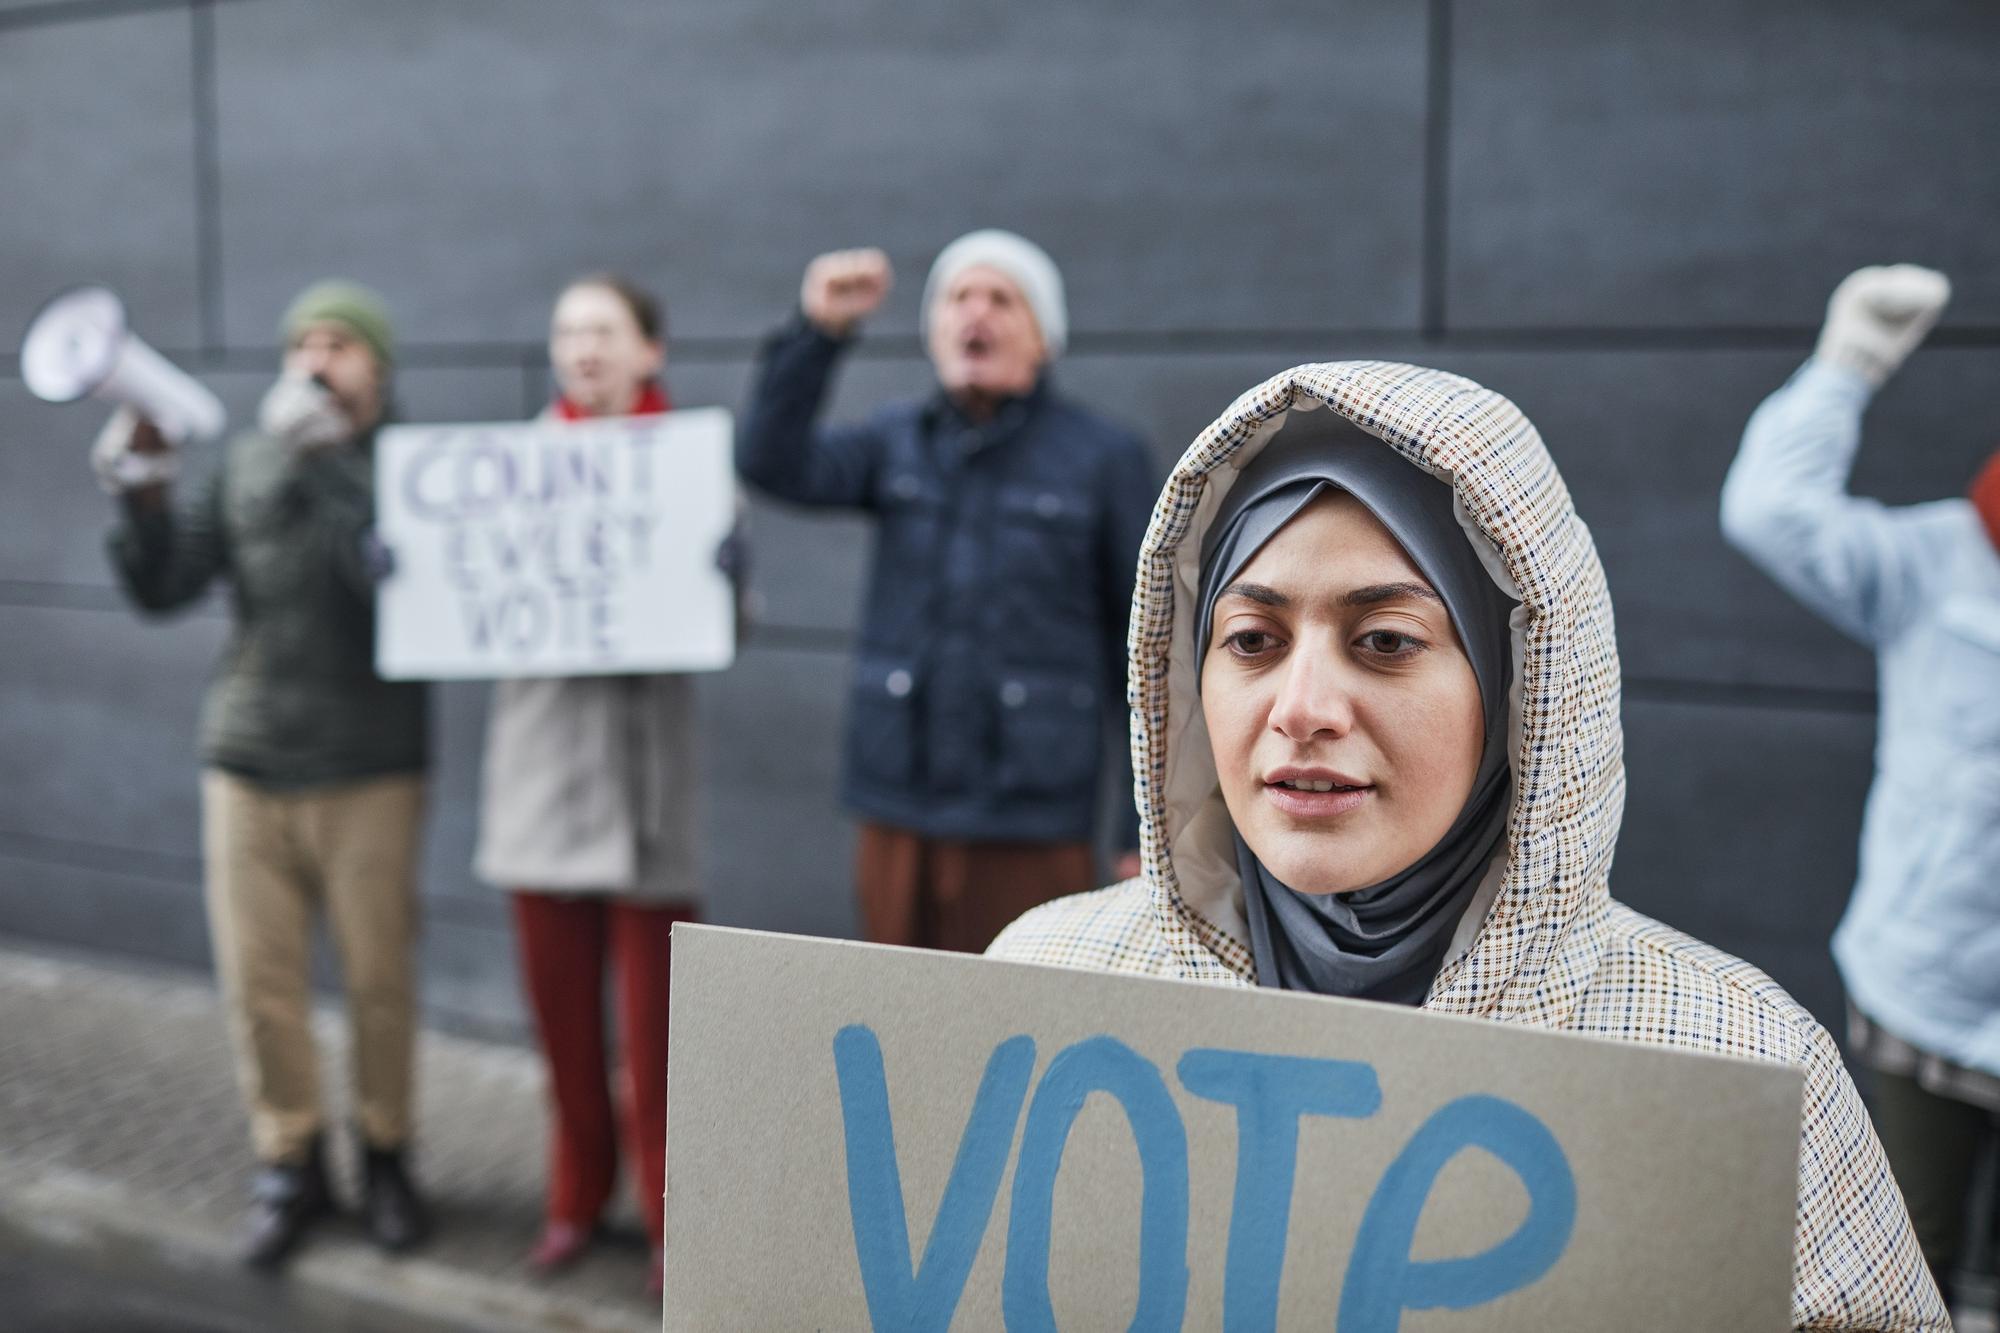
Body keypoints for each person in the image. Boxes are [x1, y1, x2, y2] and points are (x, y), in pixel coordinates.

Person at [990, 360, 1951, 1329]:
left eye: (1383, 641)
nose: (1302, 709)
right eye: (1250, 638)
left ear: (1514, 684)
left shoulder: (1743, 1067)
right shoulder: (1040, 983)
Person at [93, 280, 431, 1268]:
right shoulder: (246, 458)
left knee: (379, 980)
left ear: (377, 366)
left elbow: (389, 589)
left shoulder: (411, 470)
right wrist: (143, 493)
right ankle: (290, 1156)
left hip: (371, 764)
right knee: (260, 985)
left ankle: (388, 1153)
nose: (316, 362)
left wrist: (324, 463)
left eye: (340, 346)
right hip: (246, 761)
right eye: (302, 345)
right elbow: (164, 584)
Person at [737, 231, 1154, 953]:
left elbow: (1147, 648)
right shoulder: (895, 440)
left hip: (1029, 820)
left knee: (1025, 1027)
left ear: (1043, 337)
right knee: (902, 1025)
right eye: (958, 297)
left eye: (1001, 299)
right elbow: (770, 460)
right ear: (933, 330)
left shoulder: (1104, 458)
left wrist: (1142, 829)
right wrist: (820, 332)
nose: (975, 314)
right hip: (900, 809)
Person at [1722, 264, 2000, 1310]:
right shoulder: (1943, 557)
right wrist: (1846, 367)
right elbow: (1770, 511)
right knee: (1899, 1263)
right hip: (1923, 989)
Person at [475, 274, 702, 1296]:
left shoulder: (692, 465)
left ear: (648, 349)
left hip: (644, 798)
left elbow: (723, 614)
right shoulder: (507, 468)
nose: (582, 349)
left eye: (602, 330)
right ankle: (573, 1199)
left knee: (657, 1036)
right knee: (562, 1024)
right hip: (541, 784)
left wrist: (725, 569)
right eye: (567, 331)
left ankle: (667, 1221)